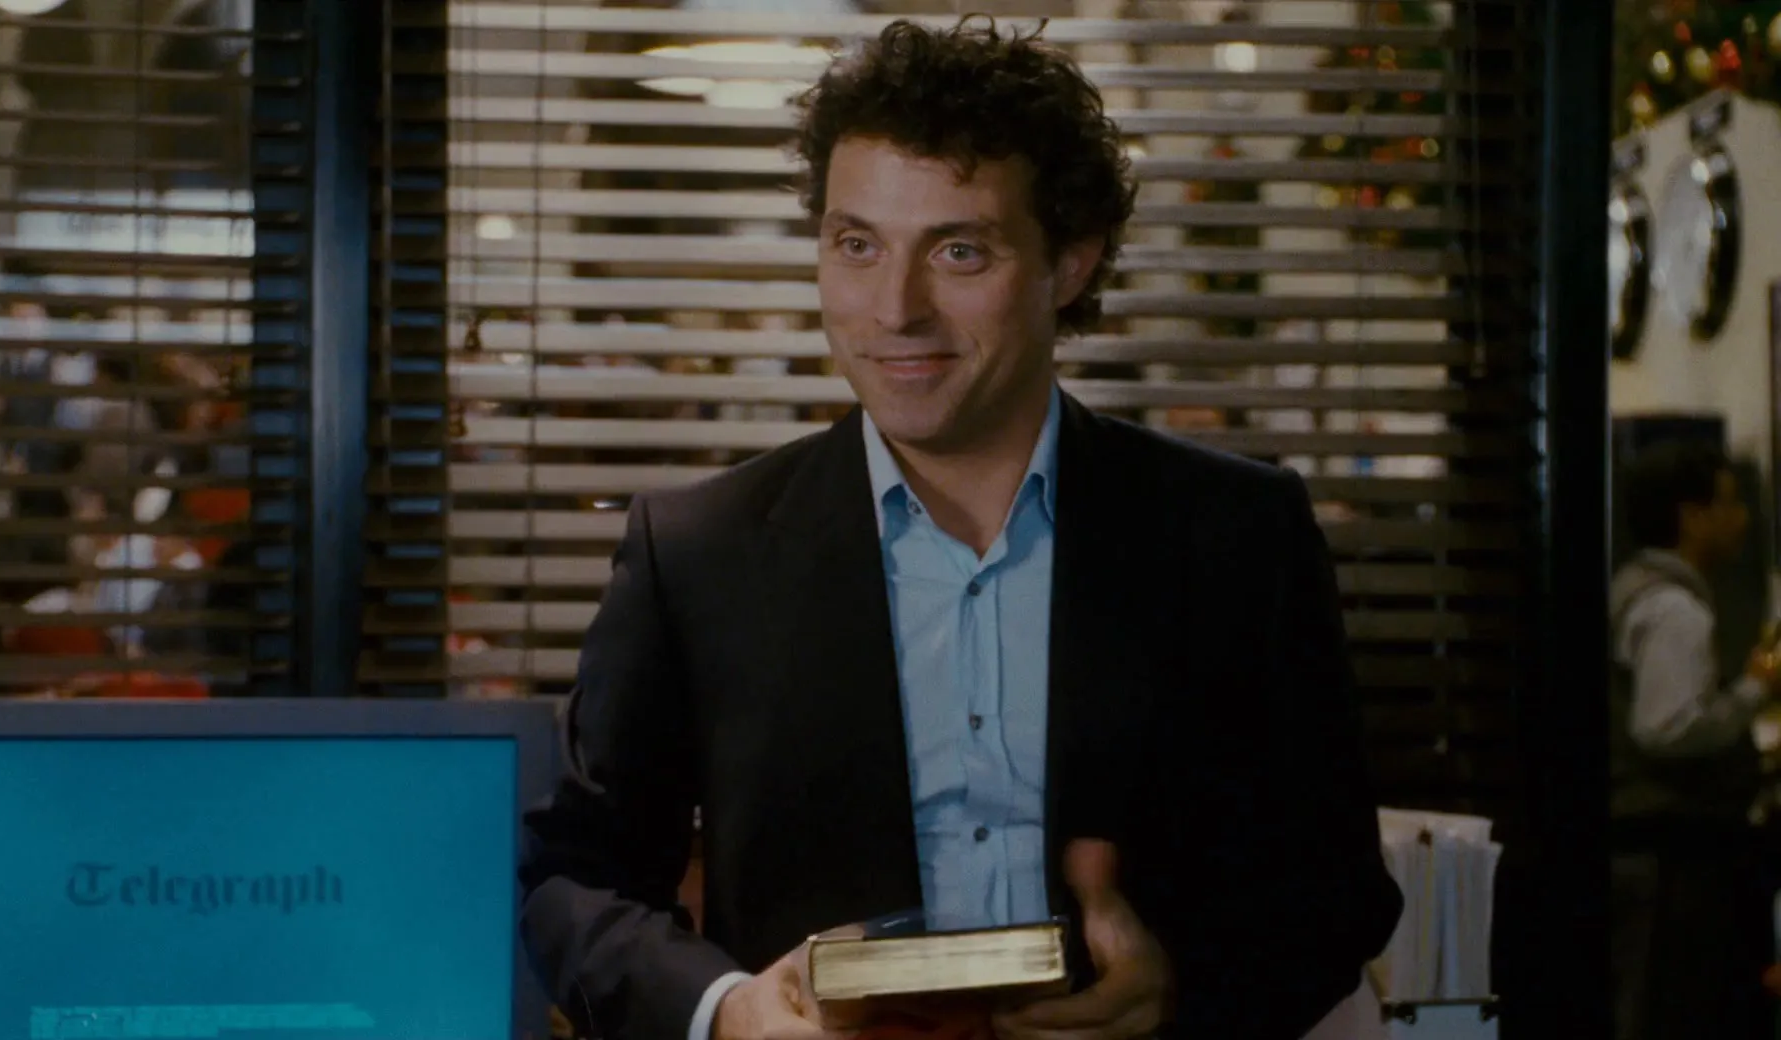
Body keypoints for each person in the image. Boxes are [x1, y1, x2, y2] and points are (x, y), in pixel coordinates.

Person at [519, 18, 1402, 1040]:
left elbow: (1336, 891)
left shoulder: (1238, 536)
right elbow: (574, 882)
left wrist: (1178, 986)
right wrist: (731, 1012)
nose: (895, 309)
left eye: (959, 250)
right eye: (857, 245)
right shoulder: (697, 552)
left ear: (1070, 264)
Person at [1609, 438, 1777, 1040]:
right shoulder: (1675, 609)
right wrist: (1755, 690)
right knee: (1669, 1009)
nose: (1742, 519)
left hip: (1649, 846)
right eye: (1728, 504)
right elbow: (1666, 727)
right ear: (1691, 515)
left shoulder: (1637, 585)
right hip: (1667, 848)